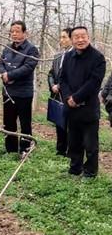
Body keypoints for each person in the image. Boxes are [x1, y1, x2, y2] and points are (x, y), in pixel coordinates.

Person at [59, 27, 106, 178]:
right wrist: (68, 98)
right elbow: (63, 79)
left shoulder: (98, 58)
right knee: (74, 141)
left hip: (88, 108)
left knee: (90, 144)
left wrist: (76, 98)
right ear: (71, 40)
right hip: (71, 108)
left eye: (83, 36)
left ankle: (90, 173)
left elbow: (94, 83)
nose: (80, 40)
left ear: (88, 37)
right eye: (76, 37)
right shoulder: (68, 56)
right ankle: (75, 169)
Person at [0, 20, 39, 155]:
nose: (14, 34)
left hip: (23, 93)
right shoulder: (7, 48)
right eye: (12, 31)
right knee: (8, 122)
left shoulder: (31, 49)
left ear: (25, 33)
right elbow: (0, 63)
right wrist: (3, 73)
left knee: (24, 123)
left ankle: (25, 149)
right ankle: (11, 150)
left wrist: (10, 75)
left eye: (17, 31)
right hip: (8, 92)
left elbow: (28, 67)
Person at [47, 28, 73, 156]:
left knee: (70, 124)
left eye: (64, 37)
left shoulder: (75, 55)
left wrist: (61, 86)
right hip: (57, 94)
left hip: (70, 95)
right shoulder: (57, 56)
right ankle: (60, 149)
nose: (61, 40)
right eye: (60, 37)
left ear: (71, 38)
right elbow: (51, 73)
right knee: (59, 122)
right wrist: (52, 85)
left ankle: (71, 150)